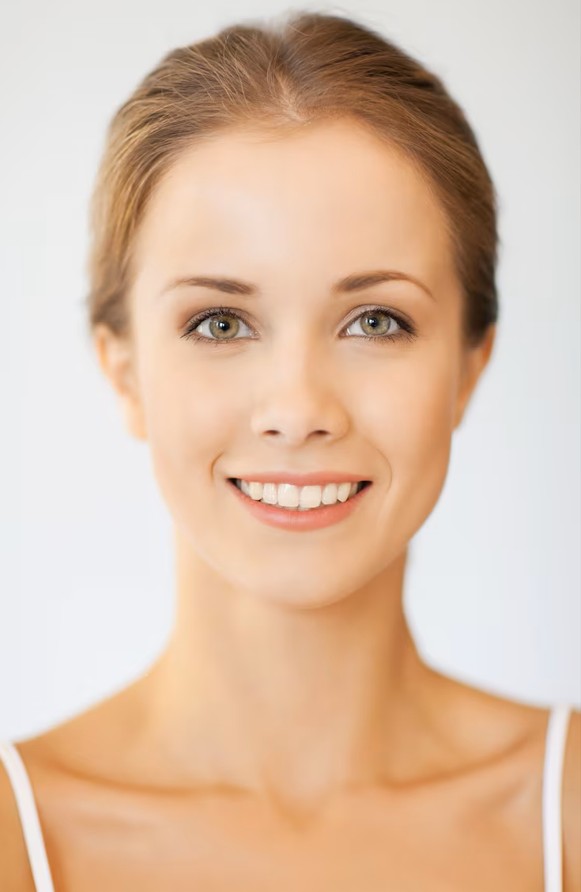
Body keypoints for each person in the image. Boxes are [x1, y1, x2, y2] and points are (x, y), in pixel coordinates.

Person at [1, 9, 579, 891]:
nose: (299, 409)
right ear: (123, 371)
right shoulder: (22, 830)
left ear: (469, 364)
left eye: (376, 320)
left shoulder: (563, 810)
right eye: (220, 322)